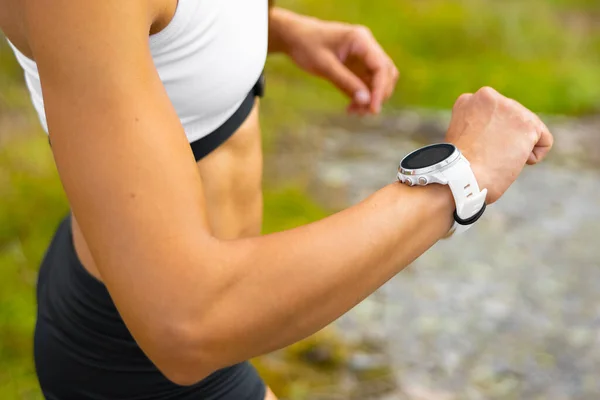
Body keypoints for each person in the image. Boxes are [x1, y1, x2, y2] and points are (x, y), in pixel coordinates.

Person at [0, 0, 553, 399]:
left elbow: (150, 30)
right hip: (149, 355)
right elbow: (188, 322)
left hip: (207, 309)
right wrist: (458, 175)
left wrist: (268, 29)